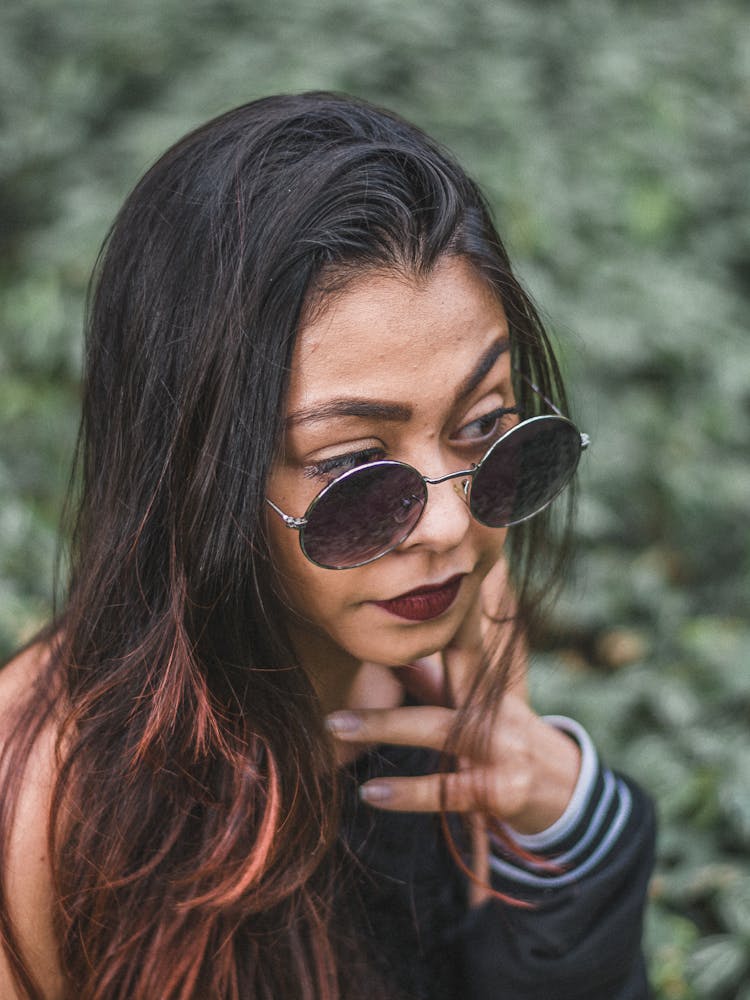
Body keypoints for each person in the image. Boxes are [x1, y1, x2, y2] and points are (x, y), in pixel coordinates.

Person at [0, 92, 655, 999]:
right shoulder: (46, 804)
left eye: (488, 428)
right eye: (354, 469)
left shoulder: (459, 654)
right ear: (196, 475)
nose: (452, 526)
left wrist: (569, 828)